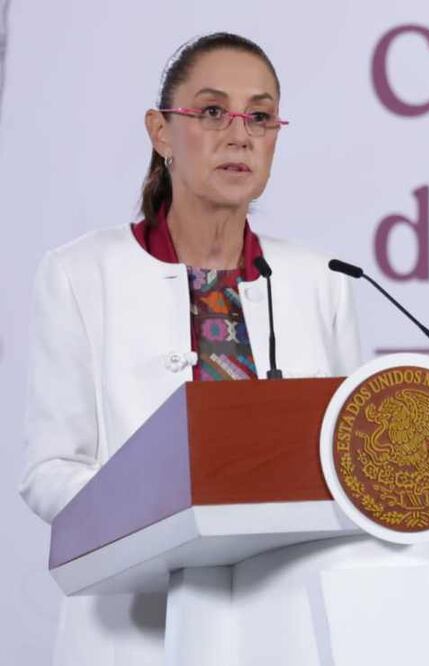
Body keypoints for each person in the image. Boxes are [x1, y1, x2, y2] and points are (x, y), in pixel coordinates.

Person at [18, 33, 362, 665]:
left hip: (286, 628)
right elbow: (49, 471)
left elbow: (354, 464)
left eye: (259, 117)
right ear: (161, 131)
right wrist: (164, 515)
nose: (239, 135)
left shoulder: (324, 282)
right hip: (134, 628)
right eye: (211, 112)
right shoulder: (79, 274)